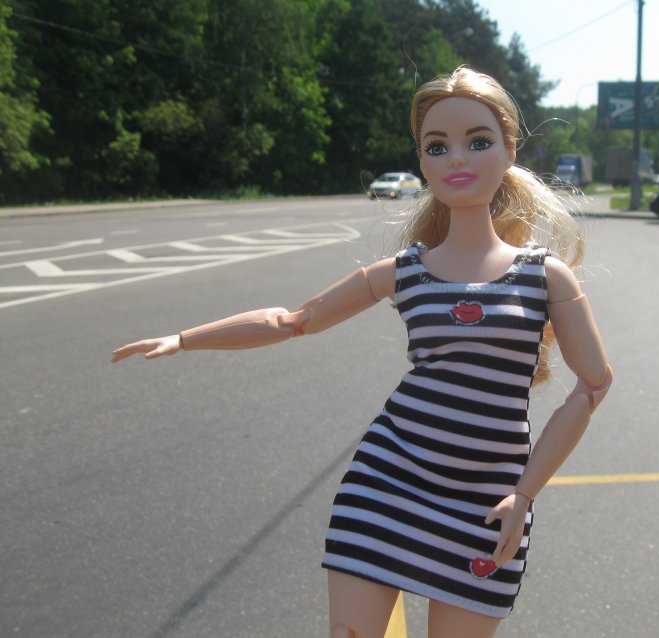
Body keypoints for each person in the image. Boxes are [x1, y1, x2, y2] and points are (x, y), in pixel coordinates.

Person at [112, 67, 612, 638]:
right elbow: (296, 320)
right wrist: (184, 338)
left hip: (488, 502)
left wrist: (524, 494)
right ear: (421, 161)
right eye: (436, 146)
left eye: (478, 141)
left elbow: (594, 383)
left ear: (509, 151)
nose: (456, 158)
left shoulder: (543, 276)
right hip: (385, 484)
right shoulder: (404, 271)